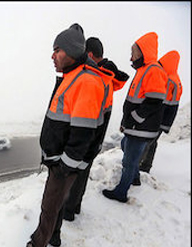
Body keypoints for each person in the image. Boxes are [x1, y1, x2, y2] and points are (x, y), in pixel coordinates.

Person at [15, 24, 114, 247]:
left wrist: (63, 166)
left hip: (64, 163)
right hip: (59, 159)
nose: (52, 56)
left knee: (49, 206)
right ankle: (55, 235)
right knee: (57, 200)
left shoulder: (87, 81)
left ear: (70, 50)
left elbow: (83, 133)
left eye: (56, 50)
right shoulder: (73, 76)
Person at [63, 37, 129, 221]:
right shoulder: (106, 76)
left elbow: (89, 112)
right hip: (96, 136)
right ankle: (75, 206)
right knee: (83, 174)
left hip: (89, 136)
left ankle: (68, 211)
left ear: (90, 54)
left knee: (76, 174)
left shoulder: (98, 77)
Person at [102, 32, 168, 203]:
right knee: (125, 146)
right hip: (136, 126)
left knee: (129, 160)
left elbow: (155, 101)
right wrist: (127, 122)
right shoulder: (144, 70)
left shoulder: (153, 71)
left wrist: (136, 118)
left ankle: (121, 192)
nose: (131, 57)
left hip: (141, 128)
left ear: (143, 52)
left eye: (134, 52)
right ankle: (135, 177)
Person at [137, 50, 183, 177]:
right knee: (152, 142)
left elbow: (161, 102)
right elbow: (173, 106)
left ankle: (137, 166)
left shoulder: (169, 80)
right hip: (162, 120)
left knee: (146, 142)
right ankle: (146, 165)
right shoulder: (176, 81)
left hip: (157, 119)